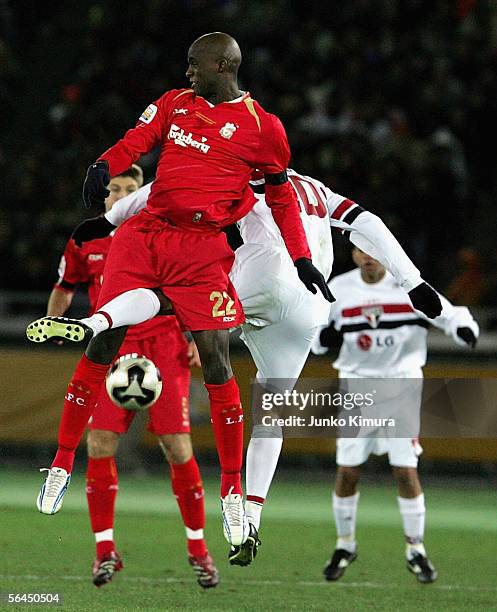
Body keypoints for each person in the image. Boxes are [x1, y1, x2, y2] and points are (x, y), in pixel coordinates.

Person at [26, 32, 334, 548]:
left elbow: (280, 198)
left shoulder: (264, 129)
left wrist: (301, 257)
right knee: (103, 344)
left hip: (202, 247)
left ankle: (233, 497)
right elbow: (136, 139)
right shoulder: (175, 103)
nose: (186, 71)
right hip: (145, 234)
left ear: (221, 64)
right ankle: (59, 463)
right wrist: (102, 162)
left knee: (216, 359)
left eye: (193, 64)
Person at [70, 168, 444, 566]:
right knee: (272, 412)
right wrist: (413, 281)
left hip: (264, 278)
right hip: (312, 304)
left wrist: (110, 219)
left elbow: (165, 188)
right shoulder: (316, 188)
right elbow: (368, 222)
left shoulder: (235, 171)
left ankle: (95, 322)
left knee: (167, 298)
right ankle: (251, 516)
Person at [44, 165, 218, 588]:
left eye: (130, 189)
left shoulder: (163, 230)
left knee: (177, 447)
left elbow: (190, 285)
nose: (121, 194)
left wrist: (197, 336)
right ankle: (105, 551)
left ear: (141, 194)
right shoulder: (87, 238)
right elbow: (67, 285)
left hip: (164, 342)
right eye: (115, 189)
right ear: (104, 197)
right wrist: (53, 321)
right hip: (112, 345)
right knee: (100, 443)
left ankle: (199, 549)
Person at [312, 247, 478, 583]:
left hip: (402, 388)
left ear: (385, 251)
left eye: (374, 249)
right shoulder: (338, 290)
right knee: (347, 472)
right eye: (361, 250)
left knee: (405, 471)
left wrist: (465, 329)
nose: (368, 257)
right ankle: (345, 544)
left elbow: (450, 313)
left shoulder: (409, 286)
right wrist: (322, 339)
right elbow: (314, 333)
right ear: (354, 254)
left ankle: (415, 549)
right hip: (356, 389)